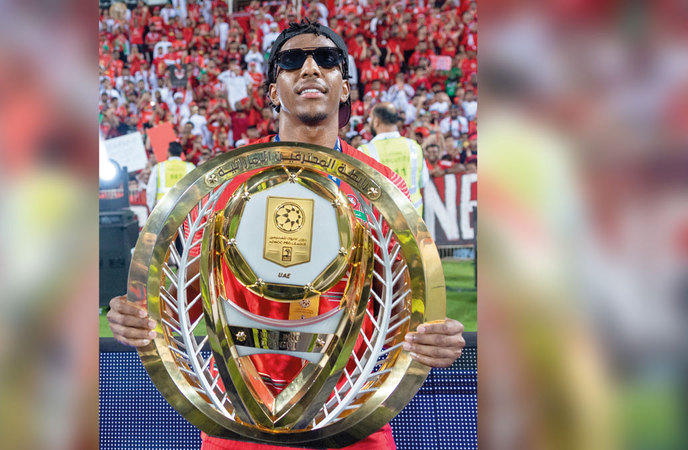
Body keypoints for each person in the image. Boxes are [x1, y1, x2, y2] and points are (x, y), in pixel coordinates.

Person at [108, 20, 465, 450]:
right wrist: (139, 316)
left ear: (345, 88)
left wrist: (434, 337)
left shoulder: (383, 189)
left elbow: (408, 308)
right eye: (292, 61)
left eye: (327, 59)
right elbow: (180, 300)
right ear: (273, 92)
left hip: (349, 420)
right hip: (242, 424)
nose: (310, 68)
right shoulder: (224, 183)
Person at [360, 102, 429, 215]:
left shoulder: (364, 151)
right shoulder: (414, 147)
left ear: (376, 121)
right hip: (414, 219)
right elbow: (423, 182)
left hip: (384, 221)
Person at [145, 141, 196, 210]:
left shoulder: (159, 167)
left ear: (168, 153)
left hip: (164, 207)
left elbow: (151, 190)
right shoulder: (190, 167)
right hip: (185, 207)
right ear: (180, 153)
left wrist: (151, 209)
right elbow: (196, 189)